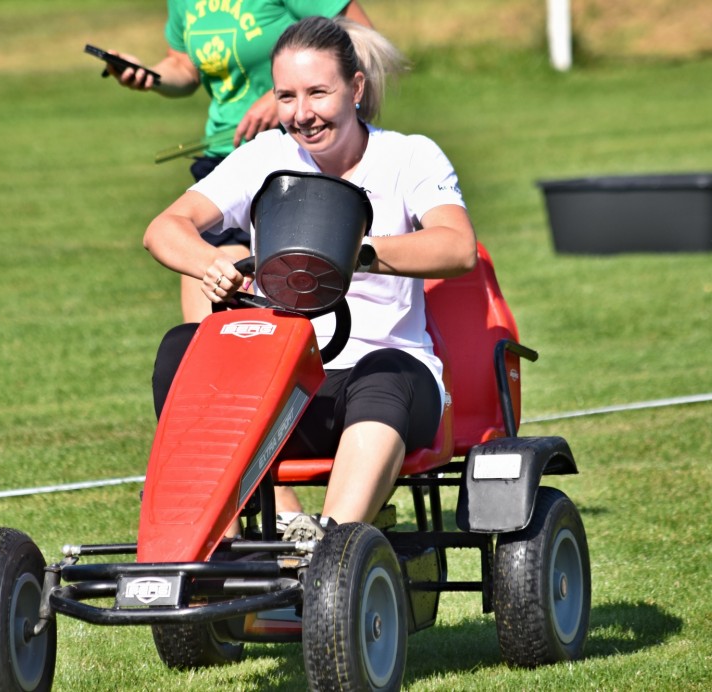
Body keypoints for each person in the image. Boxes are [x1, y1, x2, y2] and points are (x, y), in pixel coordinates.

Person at [143, 16, 477, 541]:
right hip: (283, 385)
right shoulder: (264, 157)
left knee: (386, 371)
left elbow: (457, 247)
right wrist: (211, 264)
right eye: (287, 96)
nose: (302, 114)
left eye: (318, 93)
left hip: (386, 381)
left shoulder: (409, 156)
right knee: (184, 348)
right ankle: (210, 545)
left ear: (356, 89)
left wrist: (355, 253)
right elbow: (164, 228)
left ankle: (329, 548)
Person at [104, 1, 372, 324]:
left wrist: (283, 97)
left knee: (303, 312)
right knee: (209, 333)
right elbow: (184, 67)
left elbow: (360, 39)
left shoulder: (401, 153)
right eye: (286, 95)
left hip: (299, 162)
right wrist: (151, 75)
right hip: (227, 158)